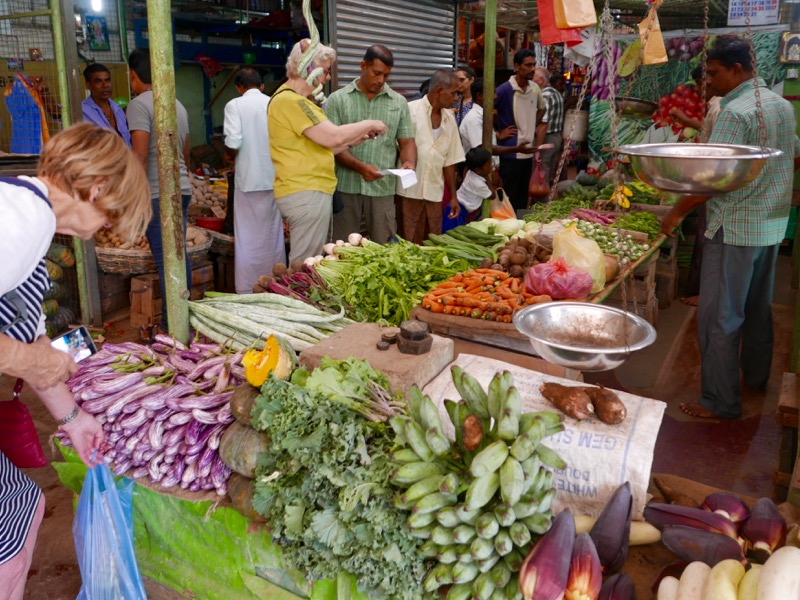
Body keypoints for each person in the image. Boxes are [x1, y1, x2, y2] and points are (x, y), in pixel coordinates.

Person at [0, 122, 151, 599]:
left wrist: (73, 416)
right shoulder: (25, 220)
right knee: (12, 522)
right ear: (97, 187)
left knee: (20, 509)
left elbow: (30, 335)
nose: (105, 228)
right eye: (111, 213)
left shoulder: (24, 211)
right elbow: (27, 351)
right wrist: (26, 359)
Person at [660, 37, 800, 420]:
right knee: (757, 309)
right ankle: (755, 379)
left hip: (734, 228)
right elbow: (794, 154)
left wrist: (675, 212)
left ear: (737, 70)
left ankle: (719, 402)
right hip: (770, 225)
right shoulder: (779, 105)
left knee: (720, 318)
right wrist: (765, 183)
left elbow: (710, 178)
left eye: (715, 72)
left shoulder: (735, 112)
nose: (710, 80)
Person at [268, 39, 387, 264]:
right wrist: (370, 123)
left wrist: (354, 140)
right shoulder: (292, 102)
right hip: (306, 191)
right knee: (306, 264)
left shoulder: (296, 101)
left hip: (308, 191)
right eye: (326, 71)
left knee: (312, 260)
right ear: (309, 69)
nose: (328, 77)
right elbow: (333, 135)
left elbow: (328, 145)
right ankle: (297, 298)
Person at [126, 48, 193, 333]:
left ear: (132, 75)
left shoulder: (139, 105)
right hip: (182, 189)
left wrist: (134, 194)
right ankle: (183, 319)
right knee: (178, 257)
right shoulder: (176, 104)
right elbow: (185, 153)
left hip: (157, 192)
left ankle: (172, 326)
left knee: (168, 263)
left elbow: (139, 155)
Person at [325, 45, 416, 244]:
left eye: (386, 75)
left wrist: (409, 162)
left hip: (382, 189)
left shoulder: (399, 102)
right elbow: (332, 144)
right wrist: (360, 167)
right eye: (377, 73)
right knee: (342, 249)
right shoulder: (337, 100)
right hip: (346, 187)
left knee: (383, 247)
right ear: (363, 66)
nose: (381, 80)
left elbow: (407, 141)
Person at [223, 67, 284, 293]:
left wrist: (229, 155)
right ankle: (276, 284)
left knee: (248, 239)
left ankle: (248, 290)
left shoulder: (235, 105)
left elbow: (233, 142)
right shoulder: (275, 103)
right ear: (261, 86)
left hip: (248, 182)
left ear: (239, 87)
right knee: (273, 235)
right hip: (276, 178)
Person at [669, 65, 723, 307]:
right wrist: (683, 119)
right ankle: (704, 290)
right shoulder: (718, 105)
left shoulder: (722, 106)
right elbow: (707, 129)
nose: (702, 89)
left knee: (708, 240)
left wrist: (676, 211)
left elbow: (719, 157)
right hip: (714, 183)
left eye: (704, 83)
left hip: (714, 185)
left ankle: (706, 293)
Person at [396, 68, 464, 244]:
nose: (456, 98)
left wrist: (454, 197)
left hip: (434, 193)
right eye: (454, 93)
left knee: (431, 241)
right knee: (406, 241)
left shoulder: (449, 120)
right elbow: (396, 147)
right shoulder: (410, 111)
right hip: (408, 192)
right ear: (439, 91)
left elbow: (450, 162)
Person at [495, 48, 547, 212]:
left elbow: (542, 109)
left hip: (528, 151)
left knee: (523, 195)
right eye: (528, 65)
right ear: (516, 66)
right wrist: (498, 133)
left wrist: (532, 125)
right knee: (508, 193)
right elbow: (487, 112)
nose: (532, 69)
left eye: (534, 65)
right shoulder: (504, 90)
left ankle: (519, 226)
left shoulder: (535, 88)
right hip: (510, 150)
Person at [459, 78, 532, 161]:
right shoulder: (474, 119)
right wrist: (517, 149)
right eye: (492, 92)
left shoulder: (483, 115)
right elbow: (484, 149)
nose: (495, 96)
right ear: (479, 95)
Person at [81, 63, 131, 146]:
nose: (105, 85)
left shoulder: (117, 109)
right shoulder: (82, 111)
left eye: (107, 80)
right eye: (98, 81)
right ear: (88, 85)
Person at [533, 68, 565, 186]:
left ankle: (542, 202)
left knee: (541, 172)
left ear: (541, 80)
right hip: (555, 137)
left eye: (533, 77)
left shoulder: (545, 95)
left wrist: (538, 148)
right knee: (546, 170)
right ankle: (543, 200)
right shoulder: (555, 92)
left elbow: (543, 124)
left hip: (546, 138)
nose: (531, 79)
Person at [457, 147, 496, 222]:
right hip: (464, 210)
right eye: (488, 165)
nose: (491, 166)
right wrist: (487, 177)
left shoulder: (470, 172)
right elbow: (492, 196)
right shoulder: (479, 184)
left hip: (461, 203)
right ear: (478, 170)